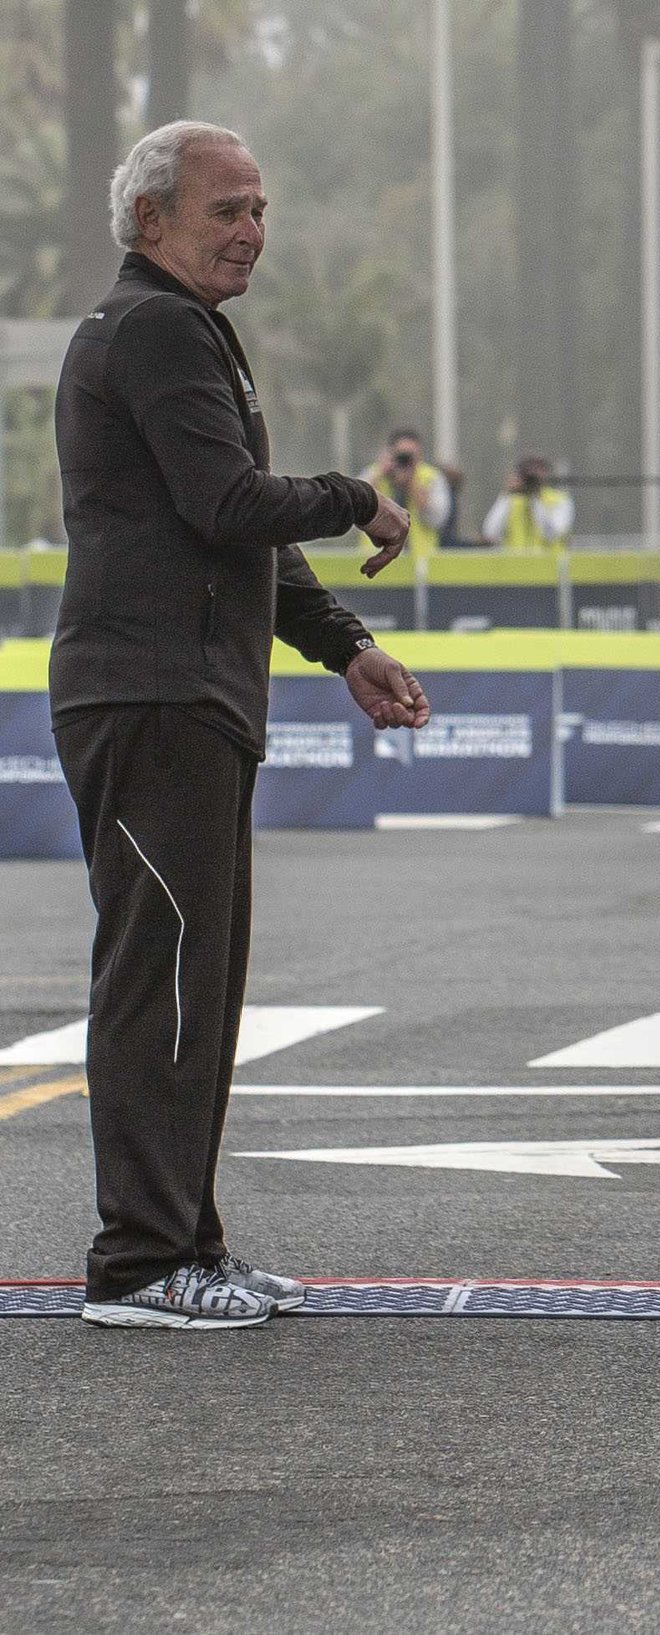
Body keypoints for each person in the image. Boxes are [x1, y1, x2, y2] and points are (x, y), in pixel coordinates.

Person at [51, 120, 429, 1329]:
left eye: (260, 209)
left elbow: (223, 530)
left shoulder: (182, 331)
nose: (252, 231)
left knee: (196, 983)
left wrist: (347, 647)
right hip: (151, 697)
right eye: (226, 210)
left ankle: (186, 1246)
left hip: (188, 699)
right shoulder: (154, 329)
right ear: (150, 219)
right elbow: (231, 502)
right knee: (160, 976)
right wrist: (358, 495)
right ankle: (137, 1265)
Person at [362, 427, 453, 555]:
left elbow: (438, 519)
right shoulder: (375, 473)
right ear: (390, 453)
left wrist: (412, 483)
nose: (405, 461)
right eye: (401, 455)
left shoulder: (431, 477)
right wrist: (380, 473)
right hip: (375, 559)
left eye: (410, 456)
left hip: (420, 562)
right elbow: (356, 508)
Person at [479, 455, 574, 554]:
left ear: (546, 473)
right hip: (517, 565)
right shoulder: (510, 500)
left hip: (548, 564)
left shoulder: (559, 499)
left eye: (537, 472)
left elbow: (552, 534)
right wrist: (506, 494)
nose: (531, 479)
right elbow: (490, 532)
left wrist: (536, 498)